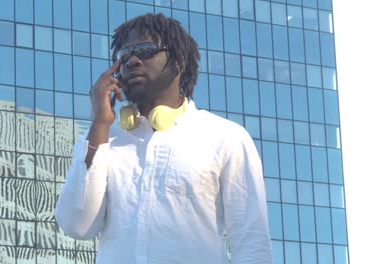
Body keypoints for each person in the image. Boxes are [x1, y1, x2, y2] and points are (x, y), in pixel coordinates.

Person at [55, 13, 273, 264]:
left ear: (178, 62)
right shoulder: (103, 137)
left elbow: (251, 242)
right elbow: (76, 225)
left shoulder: (225, 137)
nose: (132, 61)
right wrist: (99, 124)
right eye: (123, 56)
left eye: (146, 50)